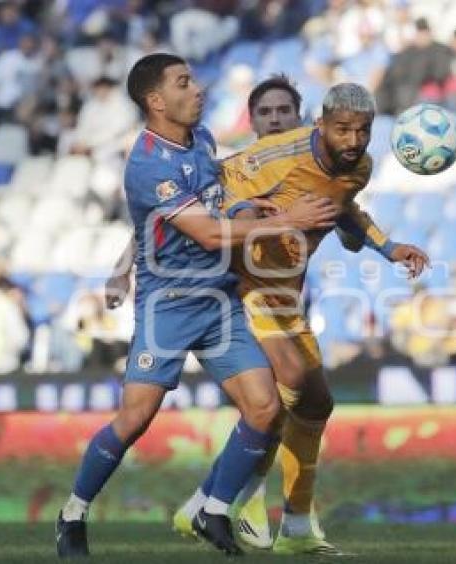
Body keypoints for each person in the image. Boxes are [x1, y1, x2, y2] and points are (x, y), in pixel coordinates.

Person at [55, 53, 338, 558]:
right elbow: (206, 233)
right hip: (169, 306)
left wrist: (259, 207)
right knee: (135, 419)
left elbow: (208, 208)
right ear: (156, 101)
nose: (198, 88)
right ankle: (73, 513)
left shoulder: (203, 140)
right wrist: (284, 220)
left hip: (220, 303)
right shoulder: (147, 164)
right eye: (184, 82)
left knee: (265, 407)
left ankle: (213, 509)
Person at [177, 82, 429, 555]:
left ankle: (292, 526)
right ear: (320, 125)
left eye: (363, 131)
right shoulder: (271, 157)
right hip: (243, 284)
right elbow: (213, 195)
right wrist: (268, 214)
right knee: (282, 388)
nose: (353, 140)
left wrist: (389, 247)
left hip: (287, 294)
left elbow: (344, 209)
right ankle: (216, 506)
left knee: (315, 405)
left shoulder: (360, 167)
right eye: (343, 130)